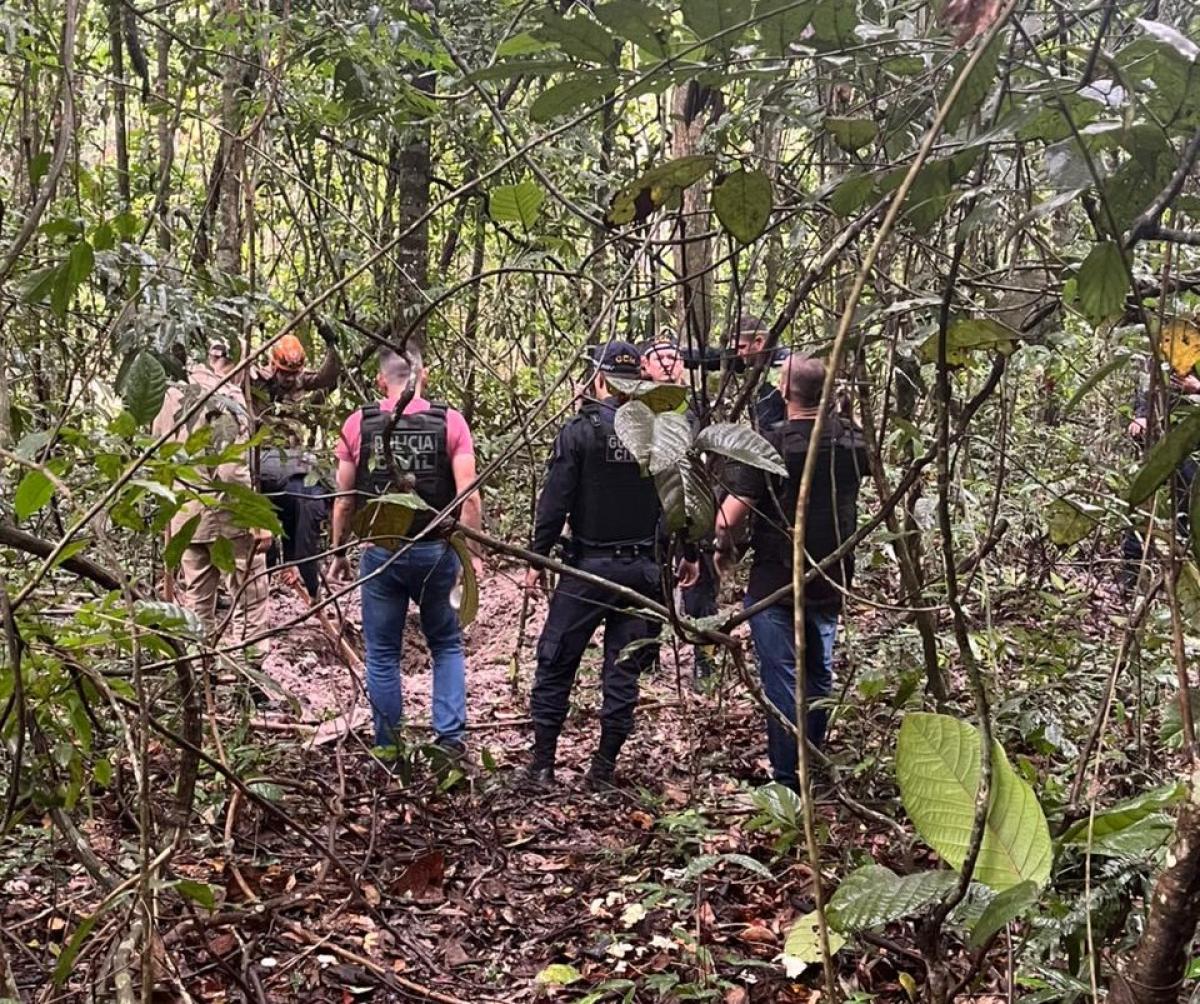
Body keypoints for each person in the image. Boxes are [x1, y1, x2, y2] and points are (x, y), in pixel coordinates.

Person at [524, 341, 696, 789]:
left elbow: (555, 501)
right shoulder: (662, 432)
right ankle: (602, 770)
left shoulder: (580, 432)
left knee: (556, 660)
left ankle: (543, 765)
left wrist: (538, 558)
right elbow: (680, 502)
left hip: (588, 569)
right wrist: (689, 553)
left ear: (598, 379)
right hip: (641, 570)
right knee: (622, 673)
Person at [715, 355, 867, 790]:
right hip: (832, 574)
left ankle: (786, 778)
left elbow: (728, 518)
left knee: (781, 676)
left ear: (783, 392)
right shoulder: (854, 441)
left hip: (775, 581)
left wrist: (720, 550)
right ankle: (812, 763)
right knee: (818, 671)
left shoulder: (770, 446)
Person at [329, 343, 484, 755]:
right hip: (436, 549)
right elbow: (469, 495)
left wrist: (338, 553)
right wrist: (472, 556)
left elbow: (344, 499)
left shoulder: (357, 424)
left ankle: (389, 747)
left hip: (381, 554)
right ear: (424, 374)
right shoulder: (450, 422)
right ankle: (449, 740)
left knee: (382, 654)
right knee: (446, 645)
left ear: (381, 380)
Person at [153, 339, 270, 654]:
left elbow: (158, 455)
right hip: (226, 515)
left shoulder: (169, 394)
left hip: (185, 514)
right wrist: (256, 519)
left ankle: (200, 673)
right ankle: (249, 678)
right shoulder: (225, 398)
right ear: (235, 361)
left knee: (198, 602)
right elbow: (231, 469)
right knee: (250, 595)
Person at [640, 336, 719, 686]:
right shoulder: (638, 407)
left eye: (674, 357)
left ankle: (705, 662)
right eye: (659, 358)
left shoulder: (699, 406)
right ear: (645, 367)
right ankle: (648, 660)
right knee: (649, 586)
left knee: (702, 588)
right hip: (648, 509)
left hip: (695, 505)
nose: (669, 364)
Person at [254, 327, 341, 599]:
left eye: (294, 374)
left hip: (292, 457)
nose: (290, 380)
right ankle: (265, 578)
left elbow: (328, 376)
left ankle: (294, 568)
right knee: (264, 519)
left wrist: (332, 345)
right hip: (261, 456)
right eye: (285, 374)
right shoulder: (258, 381)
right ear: (273, 366)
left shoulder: (301, 381)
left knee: (298, 511)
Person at [734, 314, 786, 430]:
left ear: (759, 342)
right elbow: (718, 357)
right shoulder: (751, 359)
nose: (738, 353)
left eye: (742, 347)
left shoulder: (783, 364)